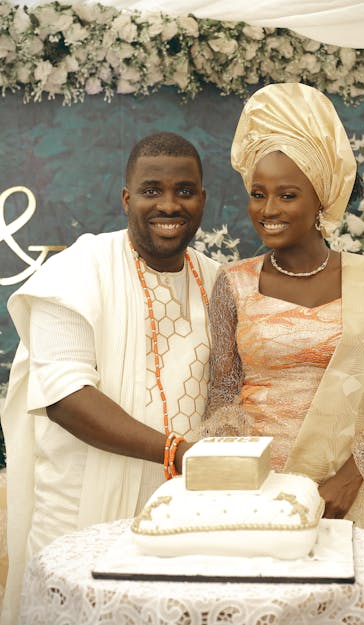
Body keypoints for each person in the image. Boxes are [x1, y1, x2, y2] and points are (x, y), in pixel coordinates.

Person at [198, 83, 364, 530]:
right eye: (258, 193)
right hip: (254, 493)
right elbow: (222, 391)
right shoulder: (232, 284)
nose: (268, 209)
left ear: (321, 199)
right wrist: (236, 476)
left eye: (287, 195)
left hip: (338, 494)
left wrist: (352, 477)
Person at [0, 131, 219, 623]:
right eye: (151, 190)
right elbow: (65, 397)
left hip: (186, 518)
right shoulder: (75, 272)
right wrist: (177, 453)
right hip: (80, 516)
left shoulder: (217, 280)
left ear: (203, 200)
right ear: (126, 198)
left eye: (185, 191)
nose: (169, 204)